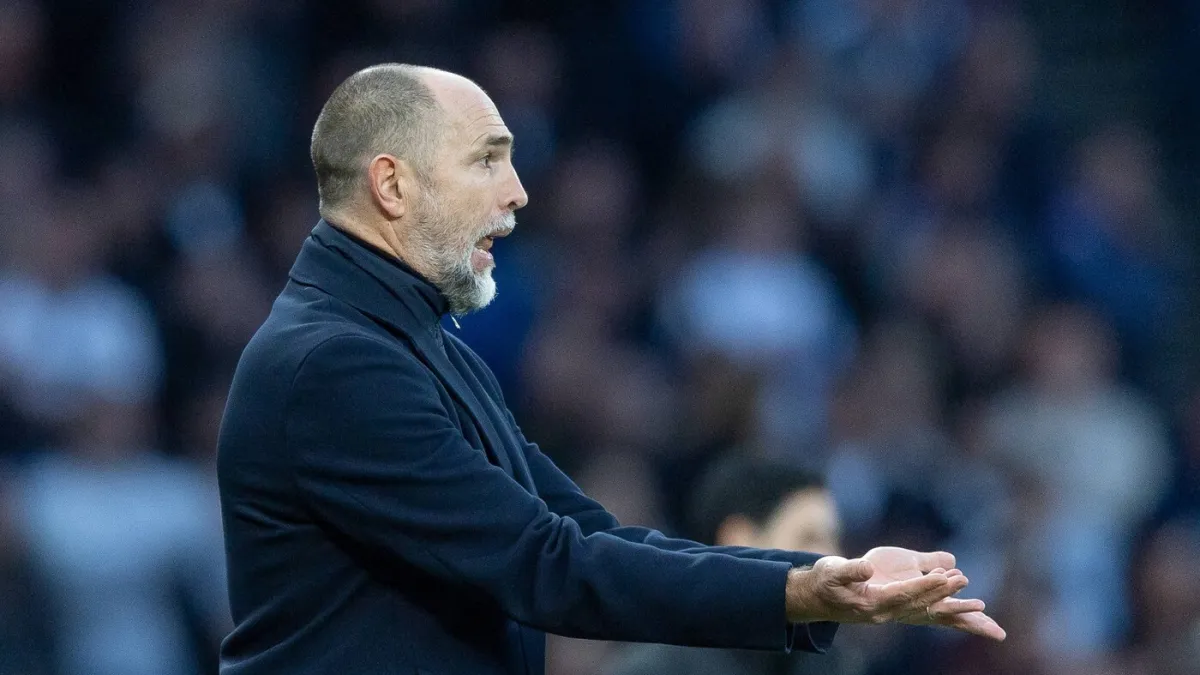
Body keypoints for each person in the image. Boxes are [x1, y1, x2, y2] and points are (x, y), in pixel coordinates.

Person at [216, 63, 1004, 675]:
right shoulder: (335, 365)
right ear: (392, 184)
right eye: (486, 162)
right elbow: (546, 564)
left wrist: (825, 576)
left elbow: (591, 534)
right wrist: (803, 589)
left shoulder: (422, 348)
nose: (516, 193)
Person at [608, 456, 863, 675]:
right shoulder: (657, 669)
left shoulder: (834, 665)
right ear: (740, 540)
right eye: (810, 538)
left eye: (834, 540)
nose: (835, 558)